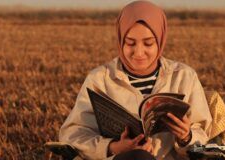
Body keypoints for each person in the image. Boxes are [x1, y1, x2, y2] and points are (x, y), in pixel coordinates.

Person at [59, 1, 212, 160]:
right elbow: (72, 134)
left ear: (160, 40)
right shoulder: (99, 79)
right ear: (120, 40)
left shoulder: (184, 77)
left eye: (148, 43)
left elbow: (205, 138)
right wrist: (113, 147)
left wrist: (186, 137)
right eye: (130, 43)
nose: (139, 53)